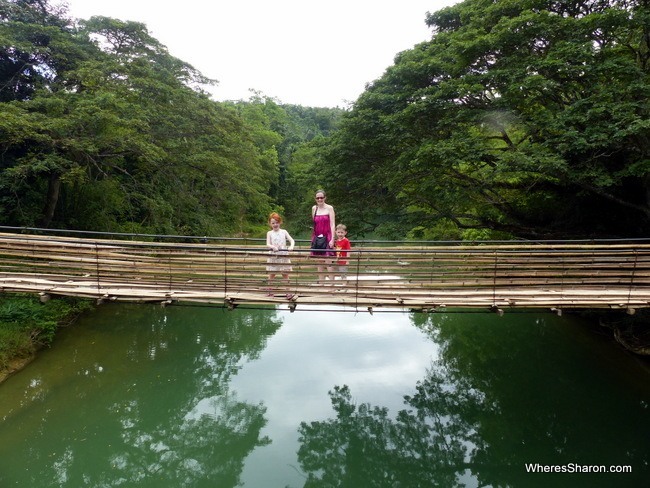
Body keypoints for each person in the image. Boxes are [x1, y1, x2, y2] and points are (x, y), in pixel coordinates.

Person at [265, 212, 295, 298]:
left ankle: (288, 292)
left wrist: (291, 246)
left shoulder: (284, 231)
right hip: (274, 256)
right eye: (273, 223)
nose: (275, 224)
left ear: (280, 222)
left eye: (276, 222)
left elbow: (292, 240)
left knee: (285, 274)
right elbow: (267, 244)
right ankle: (270, 290)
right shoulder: (269, 233)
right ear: (270, 224)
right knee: (272, 274)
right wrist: (273, 247)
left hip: (283, 255)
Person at [310, 189, 335, 282]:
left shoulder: (329, 208)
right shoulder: (314, 208)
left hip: (327, 235)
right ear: (315, 199)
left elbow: (332, 224)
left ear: (325, 198)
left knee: (328, 260)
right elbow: (315, 223)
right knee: (319, 260)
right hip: (317, 236)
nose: (320, 199)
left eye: (321, 197)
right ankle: (321, 283)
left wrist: (332, 239)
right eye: (318, 198)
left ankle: (332, 285)